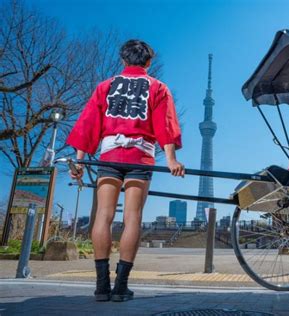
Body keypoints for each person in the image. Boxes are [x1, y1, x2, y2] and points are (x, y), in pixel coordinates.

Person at [66, 39, 184, 302]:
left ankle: (100, 287)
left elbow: (88, 123)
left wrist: (80, 161)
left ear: (122, 61)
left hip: (109, 155)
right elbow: (164, 125)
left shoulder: (105, 86)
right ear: (149, 62)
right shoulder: (158, 87)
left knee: (103, 216)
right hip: (139, 157)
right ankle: (120, 287)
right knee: (132, 218)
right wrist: (171, 159)